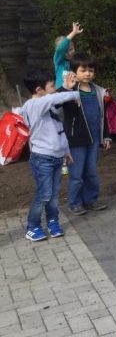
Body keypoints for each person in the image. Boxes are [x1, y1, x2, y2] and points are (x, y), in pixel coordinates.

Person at [21, 70, 80, 241]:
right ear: (39, 90)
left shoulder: (46, 104)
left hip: (56, 156)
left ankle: (53, 222)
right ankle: (32, 227)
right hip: (42, 158)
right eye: (52, 86)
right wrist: (75, 91)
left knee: (53, 194)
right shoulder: (33, 105)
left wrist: (66, 150)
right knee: (44, 194)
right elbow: (55, 98)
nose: (54, 89)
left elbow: (58, 129)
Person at [60, 53, 111, 216]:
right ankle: (74, 202)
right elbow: (57, 103)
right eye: (83, 70)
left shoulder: (98, 91)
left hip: (94, 138)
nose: (87, 73)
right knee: (76, 174)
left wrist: (106, 136)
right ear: (74, 72)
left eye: (90, 70)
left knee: (91, 171)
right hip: (76, 140)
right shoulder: (69, 91)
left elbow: (103, 116)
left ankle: (91, 200)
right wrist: (66, 89)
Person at [53, 22, 82, 89]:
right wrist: (73, 32)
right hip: (61, 92)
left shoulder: (74, 60)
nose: (73, 51)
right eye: (70, 49)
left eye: (73, 48)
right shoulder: (59, 61)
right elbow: (61, 49)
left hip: (73, 90)